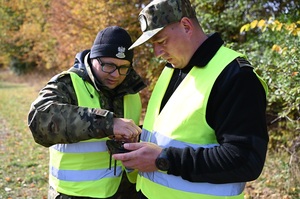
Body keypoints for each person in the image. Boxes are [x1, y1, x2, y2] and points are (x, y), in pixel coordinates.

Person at [112, 0, 269, 199]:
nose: (157, 53)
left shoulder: (236, 76)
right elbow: (175, 130)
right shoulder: (172, 68)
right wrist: (138, 137)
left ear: (186, 26)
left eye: (161, 41)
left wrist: (164, 159)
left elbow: (246, 161)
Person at [28, 26, 146, 199]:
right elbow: (40, 121)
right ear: (93, 58)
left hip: (124, 190)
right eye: (108, 65)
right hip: (74, 193)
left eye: (123, 67)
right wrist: (108, 123)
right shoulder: (68, 83)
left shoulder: (132, 90)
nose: (116, 74)